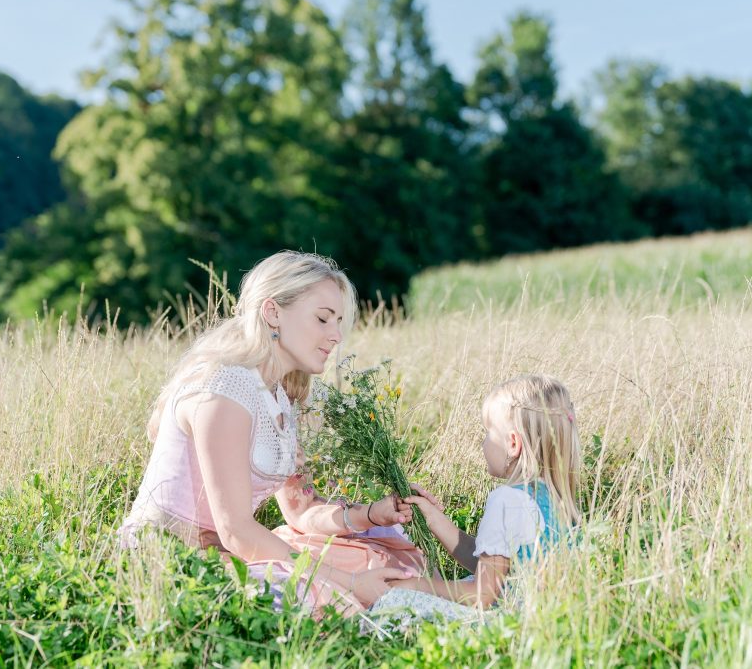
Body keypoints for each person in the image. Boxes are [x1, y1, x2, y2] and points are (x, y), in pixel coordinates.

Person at [119, 251, 432, 613]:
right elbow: (236, 530)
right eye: (323, 319)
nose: (335, 336)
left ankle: (472, 596)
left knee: (375, 552)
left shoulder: (279, 396)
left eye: (339, 323)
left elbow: (300, 513)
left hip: (227, 554)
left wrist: (371, 515)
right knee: (329, 594)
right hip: (173, 560)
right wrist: (346, 582)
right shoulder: (225, 390)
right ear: (272, 313)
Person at [368, 374, 582, 623]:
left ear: (513, 443)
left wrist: (416, 585)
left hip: (507, 624)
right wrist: (434, 519)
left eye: (487, 433)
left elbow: (482, 596)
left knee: (396, 601)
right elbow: (489, 567)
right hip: (540, 619)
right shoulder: (553, 496)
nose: (483, 443)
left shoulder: (505, 500)